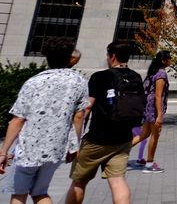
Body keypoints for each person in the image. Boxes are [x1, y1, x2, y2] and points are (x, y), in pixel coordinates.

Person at [0, 38, 88, 204]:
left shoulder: (33, 82)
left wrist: (4, 151)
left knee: (19, 193)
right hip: (56, 146)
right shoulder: (78, 81)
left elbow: (18, 119)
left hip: (29, 147)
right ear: (69, 57)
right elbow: (79, 116)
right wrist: (74, 145)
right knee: (40, 192)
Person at [66, 41, 146, 204]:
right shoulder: (136, 77)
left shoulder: (100, 77)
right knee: (117, 181)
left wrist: (75, 140)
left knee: (79, 181)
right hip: (123, 139)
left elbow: (86, 109)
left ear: (113, 56)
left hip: (97, 139)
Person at [134, 51, 171, 173]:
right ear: (163, 60)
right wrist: (160, 114)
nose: (171, 61)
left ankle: (118, 153)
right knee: (155, 135)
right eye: (169, 58)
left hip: (148, 106)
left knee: (144, 134)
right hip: (153, 108)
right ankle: (149, 164)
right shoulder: (161, 74)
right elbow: (158, 96)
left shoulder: (152, 73)